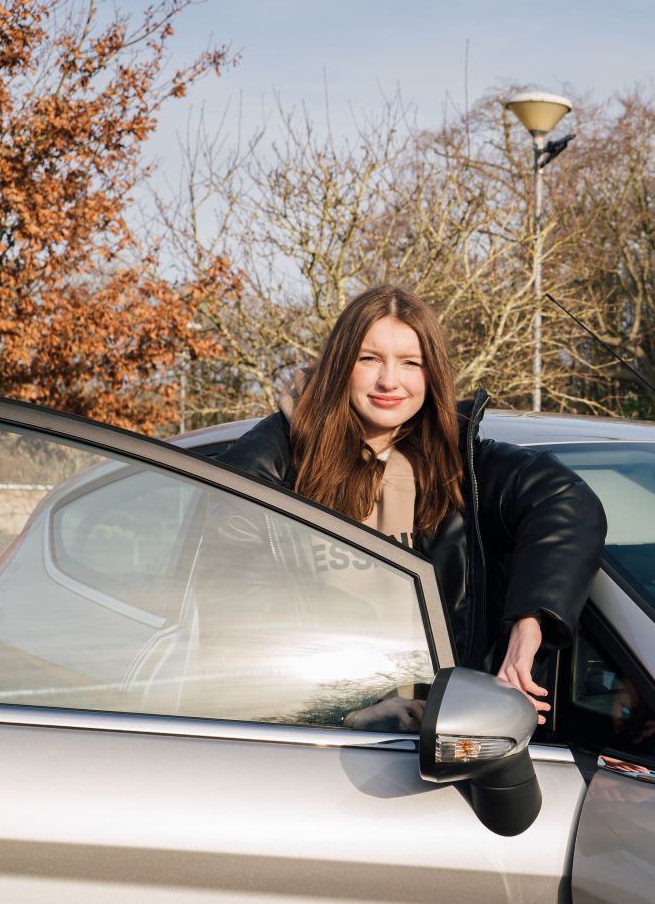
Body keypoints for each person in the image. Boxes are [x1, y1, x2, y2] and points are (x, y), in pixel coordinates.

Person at [218, 284, 606, 730]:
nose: (389, 381)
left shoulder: (462, 466)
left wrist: (529, 622)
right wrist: (345, 714)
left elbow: (567, 501)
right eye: (369, 359)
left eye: (410, 363)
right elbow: (237, 637)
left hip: (451, 737)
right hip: (318, 744)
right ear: (340, 366)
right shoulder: (261, 470)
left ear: (431, 375)